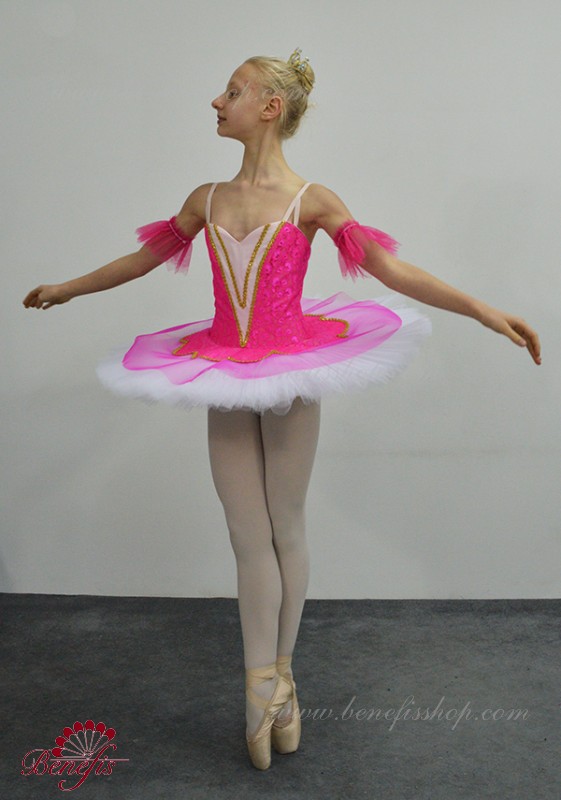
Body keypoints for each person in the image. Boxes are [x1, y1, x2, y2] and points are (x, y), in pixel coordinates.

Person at [23, 48, 541, 771]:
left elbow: (392, 269)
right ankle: (259, 685)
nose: (216, 101)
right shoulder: (206, 198)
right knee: (247, 533)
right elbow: (140, 260)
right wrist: (68, 288)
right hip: (222, 369)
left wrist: (483, 310)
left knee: (284, 526)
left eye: (231, 91)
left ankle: (284, 674)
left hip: (291, 370)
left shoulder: (311, 200)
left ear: (269, 108)